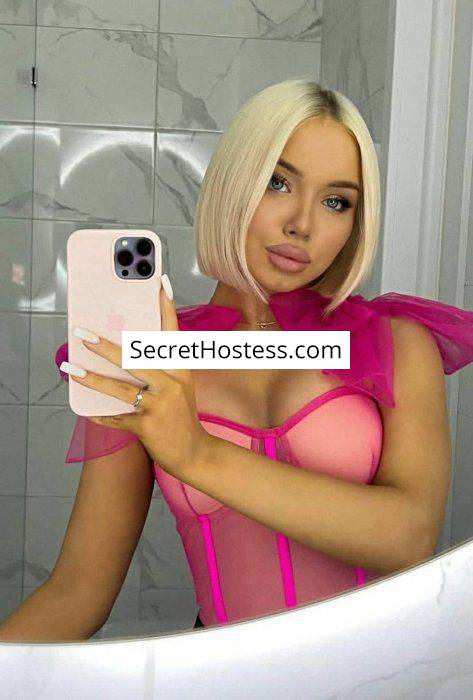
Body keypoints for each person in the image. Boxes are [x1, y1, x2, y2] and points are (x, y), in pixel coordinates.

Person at [2, 78, 473, 641]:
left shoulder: (395, 341)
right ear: (233, 182)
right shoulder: (147, 358)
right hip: (220, 674)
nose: (302, 223)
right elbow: (77, 592)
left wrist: (196, 454)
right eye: (278, 182)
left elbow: (409, 535)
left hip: (382, 673)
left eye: (336, 201)